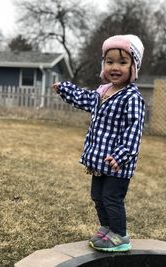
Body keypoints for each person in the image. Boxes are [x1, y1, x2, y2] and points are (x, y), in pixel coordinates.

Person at [52, 34, 145, 252]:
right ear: (103, 64)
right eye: (110, 61)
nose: (115, 67)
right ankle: (107, 227)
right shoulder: (103, 92)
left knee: (111, 198)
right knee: (97, 196)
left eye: (123, 62)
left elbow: (134, 130)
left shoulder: (131, 97)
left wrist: (120, 155)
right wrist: (65, 89)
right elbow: (84, 98)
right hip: (99, 162)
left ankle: (120, 235)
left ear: (133, 66)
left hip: (117, 163)